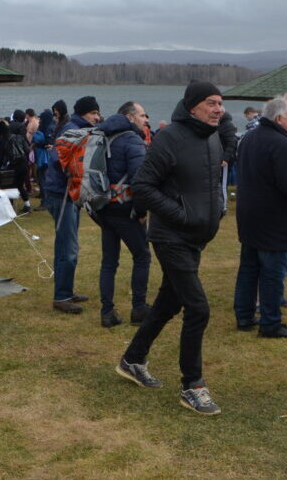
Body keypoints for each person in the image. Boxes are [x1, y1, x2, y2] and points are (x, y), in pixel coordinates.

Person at [115, 81, 226, 416]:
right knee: (198, 308)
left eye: (221, 103)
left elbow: (209, 183)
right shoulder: (170, 138)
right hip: (170, 237)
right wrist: (181, 214)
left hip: (195, 237)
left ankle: (133, 358)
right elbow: (143, 186)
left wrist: (215, 209)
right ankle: (193, 385)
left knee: (166, 304)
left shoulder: (213, 136)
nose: (218, 108)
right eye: (211, 102)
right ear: (193, 106)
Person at [233, 96, 287, 338]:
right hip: (276, 219)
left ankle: (244, 315)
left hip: (250, 215)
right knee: (273, 273)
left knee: (249, 268)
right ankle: (270, 323)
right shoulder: (282, 145)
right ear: (279, 118)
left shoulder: (249, 138)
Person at [96, 102, 151, 328]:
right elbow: (140, 179)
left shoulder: (102, 136)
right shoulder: (132, 141)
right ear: (129, 117)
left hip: (103, 207)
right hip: (125, 209)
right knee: (142, 256)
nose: (145, 119)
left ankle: (107, 311)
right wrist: (140, 210)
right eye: (142, 115)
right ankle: (138, 308)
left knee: (109, 261)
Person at [44, 96, 101, 314]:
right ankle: (62, 296)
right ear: (83, 113)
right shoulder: (72, 130)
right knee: (67, 248)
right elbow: (59, 159)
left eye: (98, 113)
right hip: (62, 194)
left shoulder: (81, 129)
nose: (97, 117)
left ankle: (66, 289)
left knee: (69, 245)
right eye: (93, 113)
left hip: (70, 194)